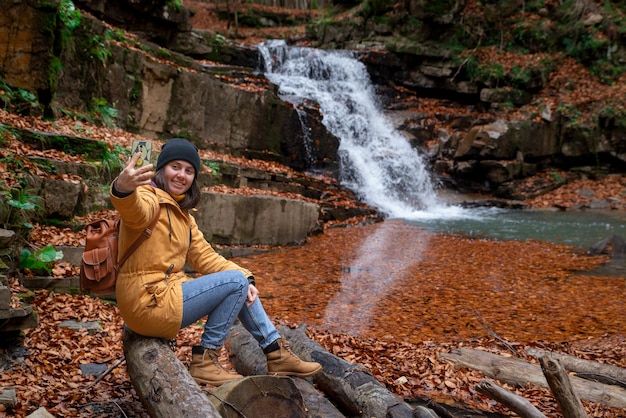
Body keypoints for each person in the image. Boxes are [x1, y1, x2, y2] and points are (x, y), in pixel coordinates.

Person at [110, 137, 322, 386]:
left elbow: (206, 257)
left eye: (189, 170)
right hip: (147, 301)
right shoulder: (147, 197)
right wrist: (123, 188)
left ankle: (276, 352)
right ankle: (206, 361)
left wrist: (247, 278)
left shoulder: (183, 216)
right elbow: (132, 209)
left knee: (239, 281)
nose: (181, 175)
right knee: (235, 282)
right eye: (175, 167)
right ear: (161, 169)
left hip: (161, 296)